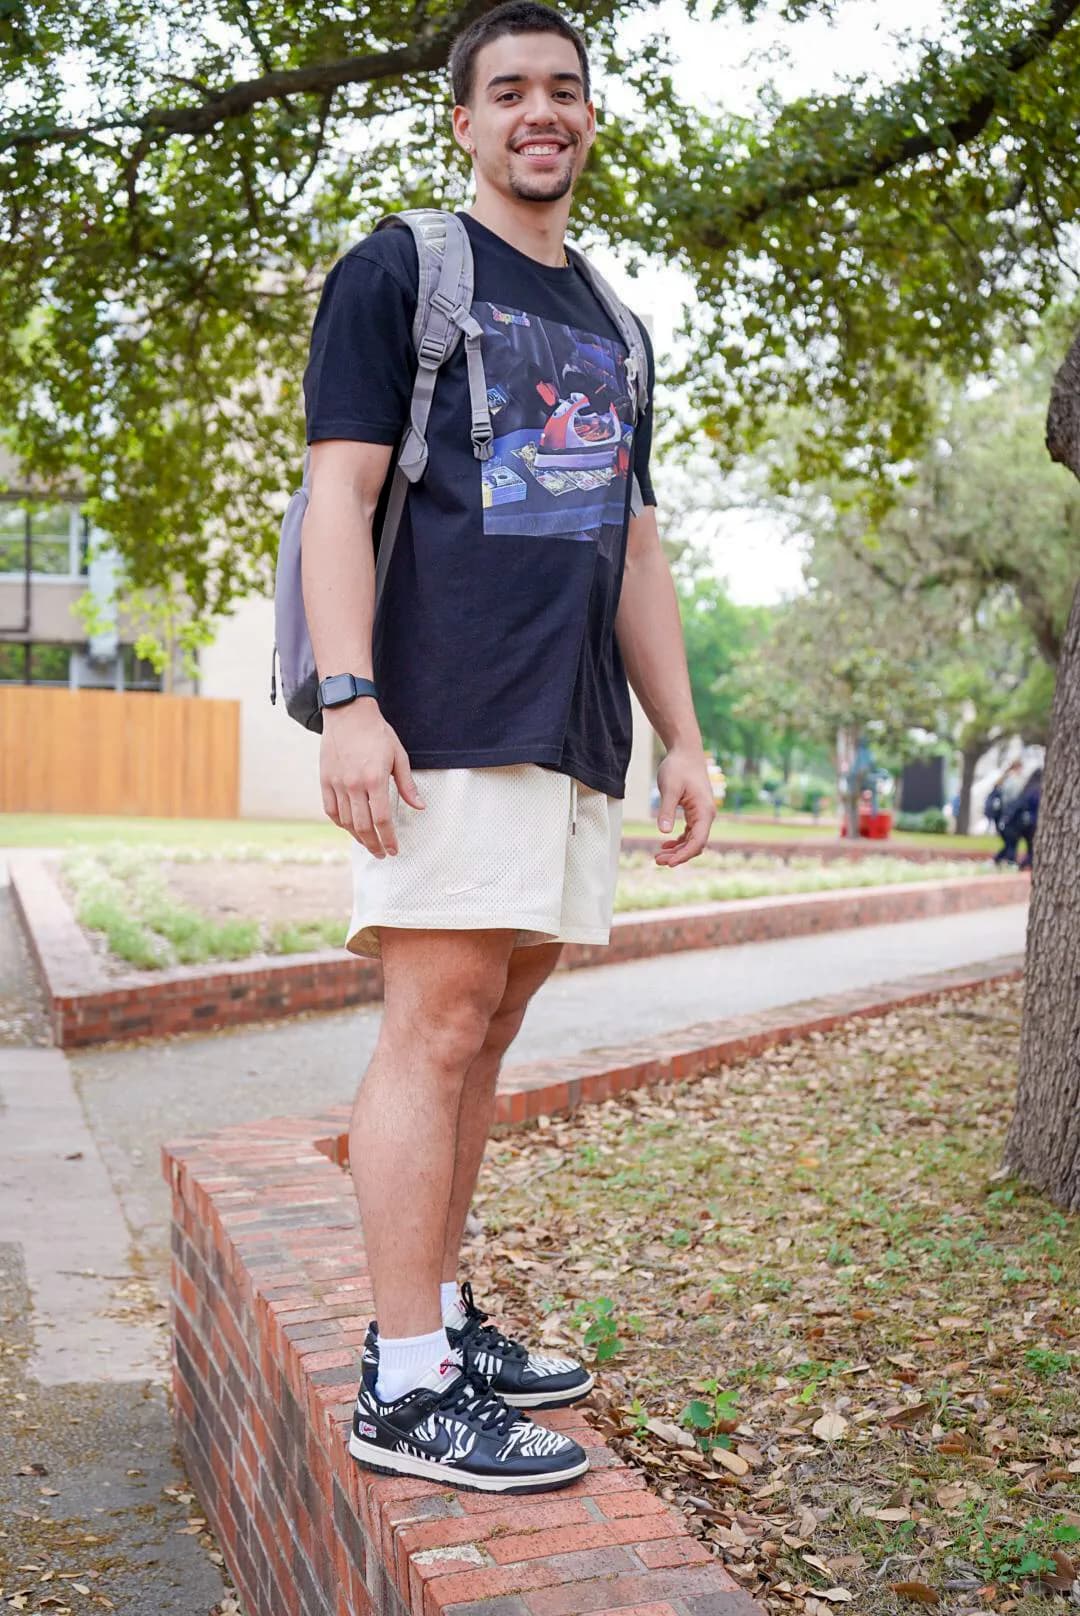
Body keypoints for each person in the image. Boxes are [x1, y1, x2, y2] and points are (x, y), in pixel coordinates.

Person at [301, 1, 715, 1494]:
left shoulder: (615, 321)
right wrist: (350, 697)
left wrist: (682, 734)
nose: (543, 111)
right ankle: (403, 1382)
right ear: (464, 121)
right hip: (444, 706)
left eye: (566, 90)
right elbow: (336, 497)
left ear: (588, 118)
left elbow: (637, 543)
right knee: (436, 1021)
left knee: (492, 1027)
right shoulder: (403, 269)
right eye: (511, 91)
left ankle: (447, 1321)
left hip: (573, 726)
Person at [1002, 767, 1042, 871]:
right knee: (1032, 848)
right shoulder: (1037, 791)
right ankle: (1024, 863)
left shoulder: (1027, 789)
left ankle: (1023, 864)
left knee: (1028, 847)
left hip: (1023, 824)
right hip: (1032, 823)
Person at [989, 759, 1024, 863]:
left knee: (1009, 842)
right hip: (1010, 816)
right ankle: (1007, 860)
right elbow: (1014, 799)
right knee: (1011, 841)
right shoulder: (1014, 781)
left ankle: (998, 860)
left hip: (1003, 816)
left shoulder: (1005, 779)